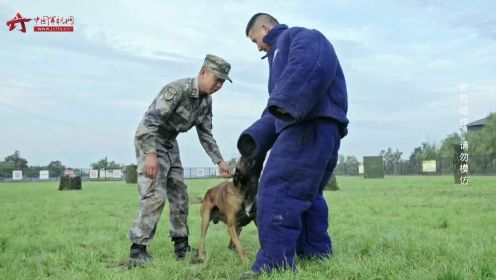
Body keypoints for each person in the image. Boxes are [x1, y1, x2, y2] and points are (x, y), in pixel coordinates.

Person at [238, 13, 349, 278]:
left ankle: (274, 265)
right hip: (323, 129)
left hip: (306, 126)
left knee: (277, 190)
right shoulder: (278, 56)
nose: (258, 48)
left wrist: (287, 102)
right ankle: (315, 253)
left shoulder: (297, 36)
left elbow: (315, 56)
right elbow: (275, 107)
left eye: (256, 40)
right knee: (307, 195)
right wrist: (256, 137)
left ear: (265, 28)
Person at [127, 54, 233, 268]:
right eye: (217, 79)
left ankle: (181, 247)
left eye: (223, 82)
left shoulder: (205, 101)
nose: (219, 85)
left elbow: (205, 133)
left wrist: (219, 161)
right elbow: (147, 124)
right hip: (151, 139)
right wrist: (149, 154)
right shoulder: (177, 91)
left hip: (170, 144)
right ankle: (137, 250)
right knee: (155, 194)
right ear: (203, 73)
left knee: (180, 195)